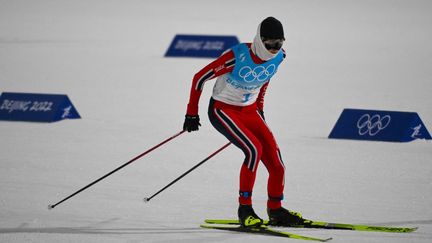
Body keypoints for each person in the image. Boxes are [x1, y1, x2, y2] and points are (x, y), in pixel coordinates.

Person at [183, 17, 304, 227]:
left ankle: (276, 210)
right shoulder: (237, 56)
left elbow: (265, 79)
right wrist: (191, 113)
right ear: (260, 39)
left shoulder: (280, 57)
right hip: (223, 109)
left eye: (279, 43)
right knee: (253, 150)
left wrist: (260, 109)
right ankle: (245, 209)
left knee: (277, 164)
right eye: (270, 44)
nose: (275, 49)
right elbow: (199, 78)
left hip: (250, 111)